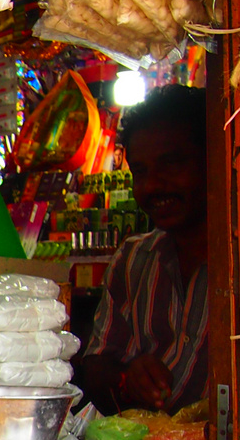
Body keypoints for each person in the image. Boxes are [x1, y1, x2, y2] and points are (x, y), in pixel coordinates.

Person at [78, 86, 210, 414]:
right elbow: (95, 367)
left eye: (172, 164)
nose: (152, 186)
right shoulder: (133, 259)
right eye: (140, 171)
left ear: (212, 160)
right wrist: (126, 378)